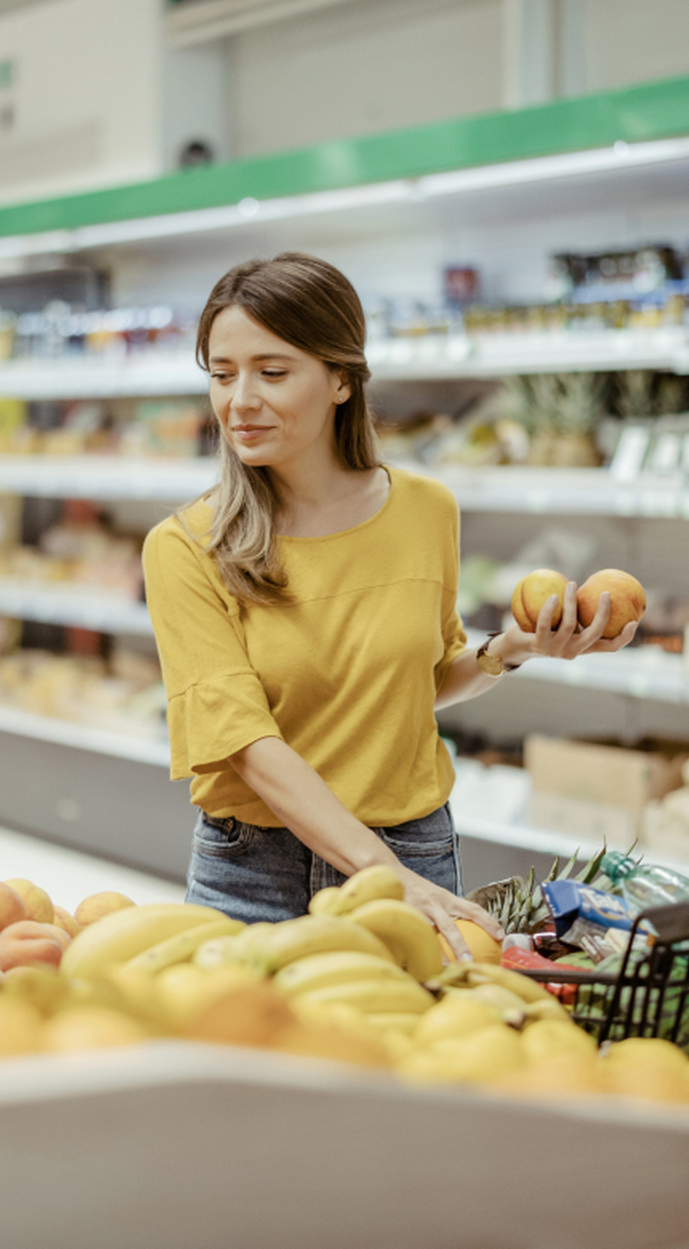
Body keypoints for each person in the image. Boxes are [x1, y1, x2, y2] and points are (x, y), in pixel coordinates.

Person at [142, 253, 637, 959]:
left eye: (271, 372)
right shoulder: (188, 546)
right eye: (222, 374)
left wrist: (510, 651)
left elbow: (418, 684)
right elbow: (245, 746)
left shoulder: (426, 510)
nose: (239, 400)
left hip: (414, 845)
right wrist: (385, 874)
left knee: (428, 1060)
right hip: (256, 874)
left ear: (341, 377)